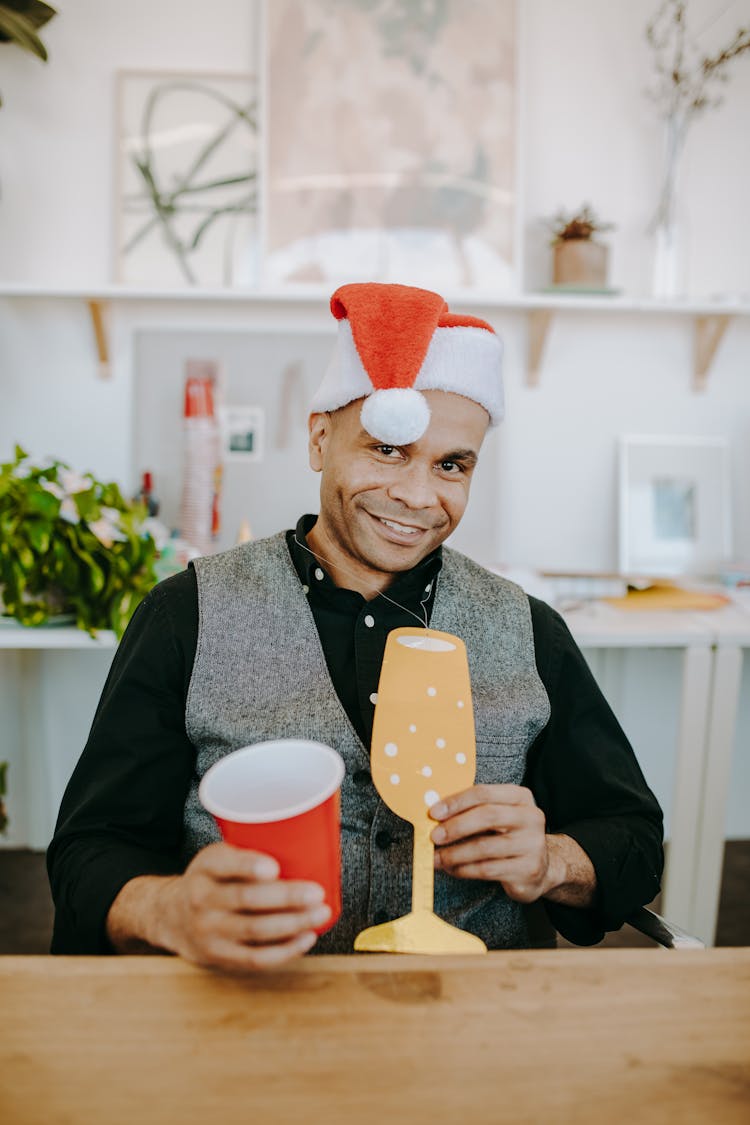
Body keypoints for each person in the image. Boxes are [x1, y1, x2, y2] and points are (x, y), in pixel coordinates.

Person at [47, 282, 663, 970]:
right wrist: (169, 909)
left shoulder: (529, 630)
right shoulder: (184, 614)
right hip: (246, 1014)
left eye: (451, 464)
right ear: (319, 439)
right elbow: (88, 851)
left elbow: (633, 840)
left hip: (476, 1028)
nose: (417, 495)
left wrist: (551, 859)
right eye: (388, 450)